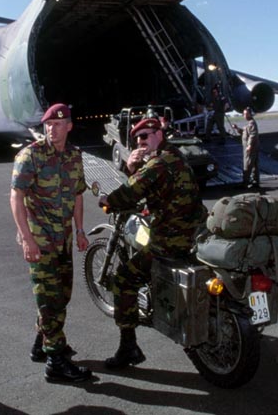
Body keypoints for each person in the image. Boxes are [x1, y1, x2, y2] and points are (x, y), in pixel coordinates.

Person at [98, 117, 208, 369]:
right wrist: (133, 166)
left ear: (159, 134)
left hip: (171, 240)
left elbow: (130, 192)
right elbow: (150, 186)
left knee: (124, 278)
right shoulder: (176, 156)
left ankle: (128, 348)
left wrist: (107, 201)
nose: (141, 141)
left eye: (145, 136)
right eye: (137, 139)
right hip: (195, 234)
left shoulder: (158, 163)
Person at [10, 103, 93, 383]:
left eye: (57, 124)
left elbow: (78, 195)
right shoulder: (31, 155)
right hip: (40, 239)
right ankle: (55, 360)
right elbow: (16, 197)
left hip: (64, 238)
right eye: (48, 124)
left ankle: (42, 342)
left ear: (69, 126)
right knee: (49, 299)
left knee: (62, 295)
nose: (51, 129)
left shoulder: (74, 156)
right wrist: (27, 238)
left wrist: (79, 230)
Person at [239, 107, 260, 188]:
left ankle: (245, 183)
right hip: (253, 147)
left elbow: (253, 135)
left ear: (250, 114)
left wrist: (249, 145)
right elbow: (245, 132)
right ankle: (255, 182)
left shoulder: (252, 123)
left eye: (246, 114)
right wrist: (237, 129)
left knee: (247, 165)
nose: (244, 115)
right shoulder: (249, 123)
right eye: (244, 114)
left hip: (250, 148)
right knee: (254, 165)